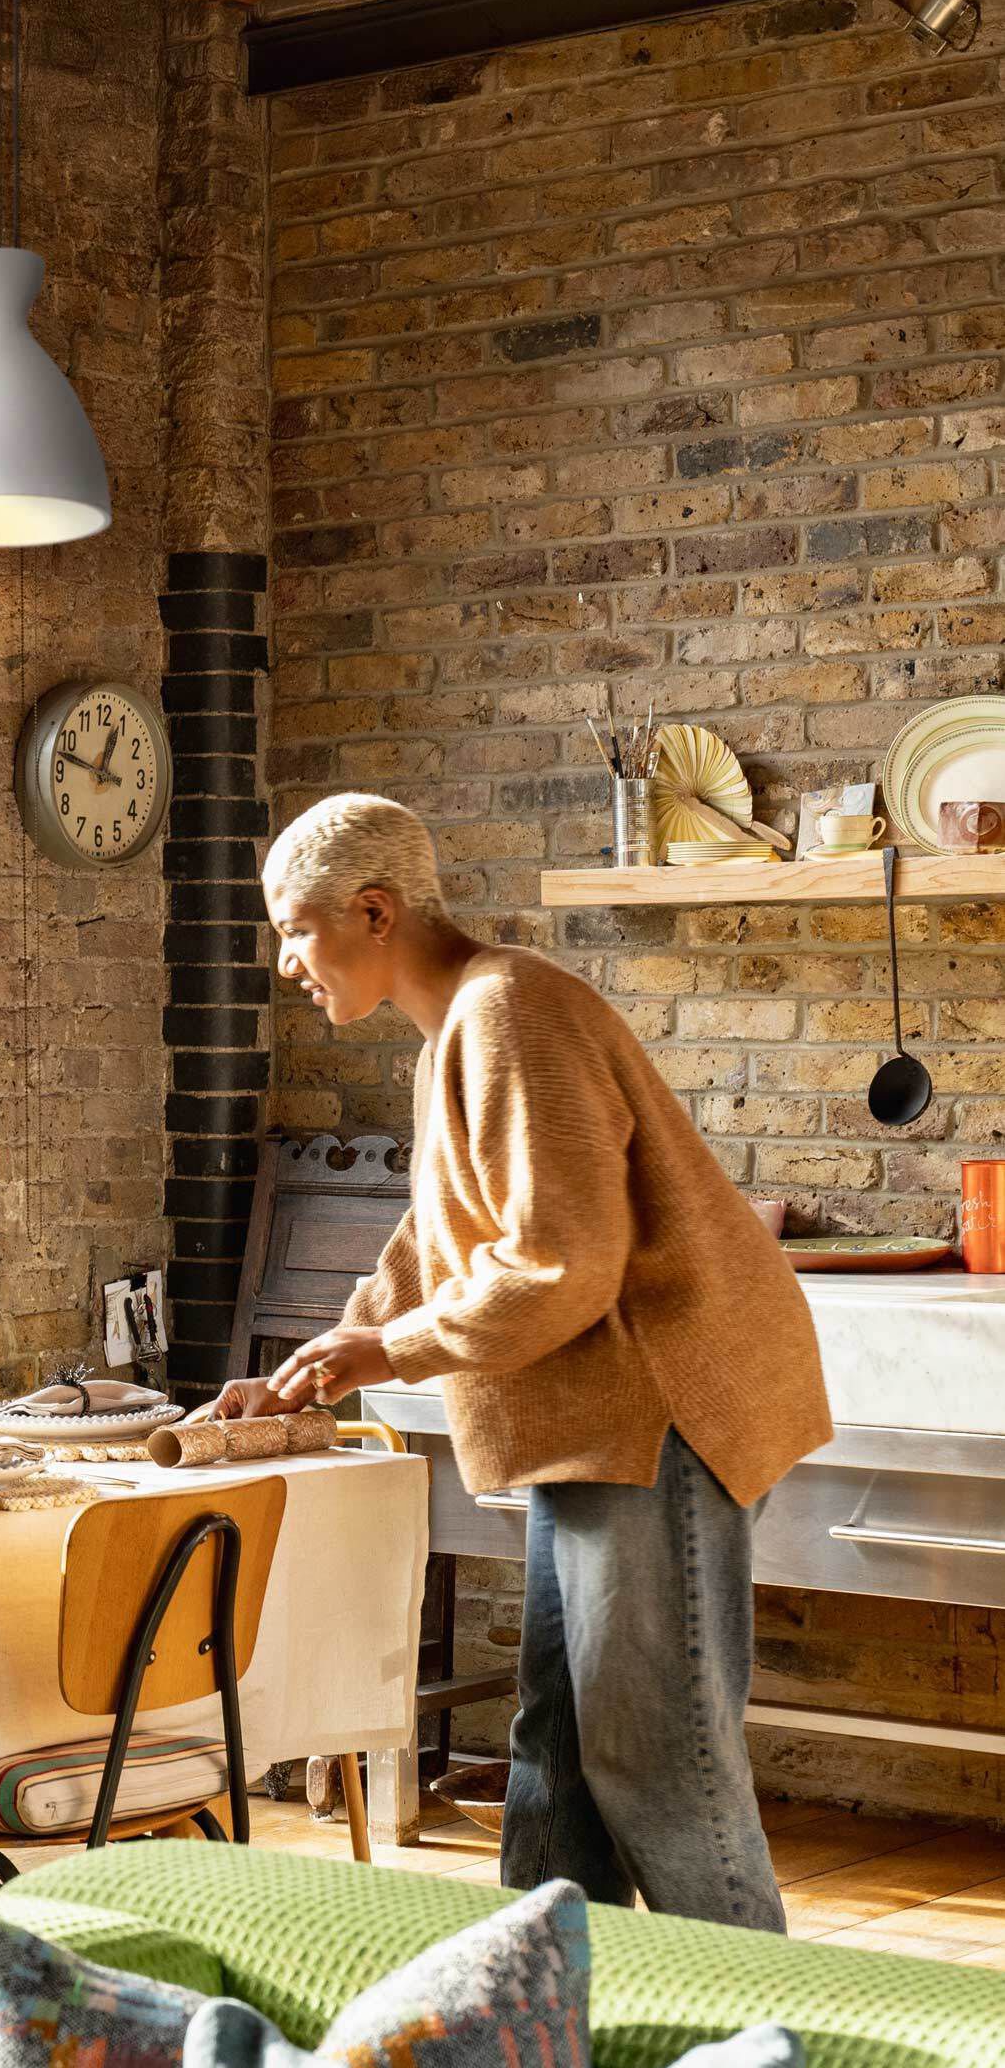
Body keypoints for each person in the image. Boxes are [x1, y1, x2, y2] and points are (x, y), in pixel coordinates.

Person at [219, 792, 830, 1931]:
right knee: (557, 1739)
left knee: (655, 1750)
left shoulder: (509, 1013)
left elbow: (563, 1263)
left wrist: (388, 1347)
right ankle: (542, 1989)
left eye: (296, 930)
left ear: (374, 911)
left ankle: (768, 2014)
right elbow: (441, 1237)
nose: (288, 962)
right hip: (597, 1424)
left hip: (654, 1415)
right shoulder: (458, 1027)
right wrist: (326, 1357)